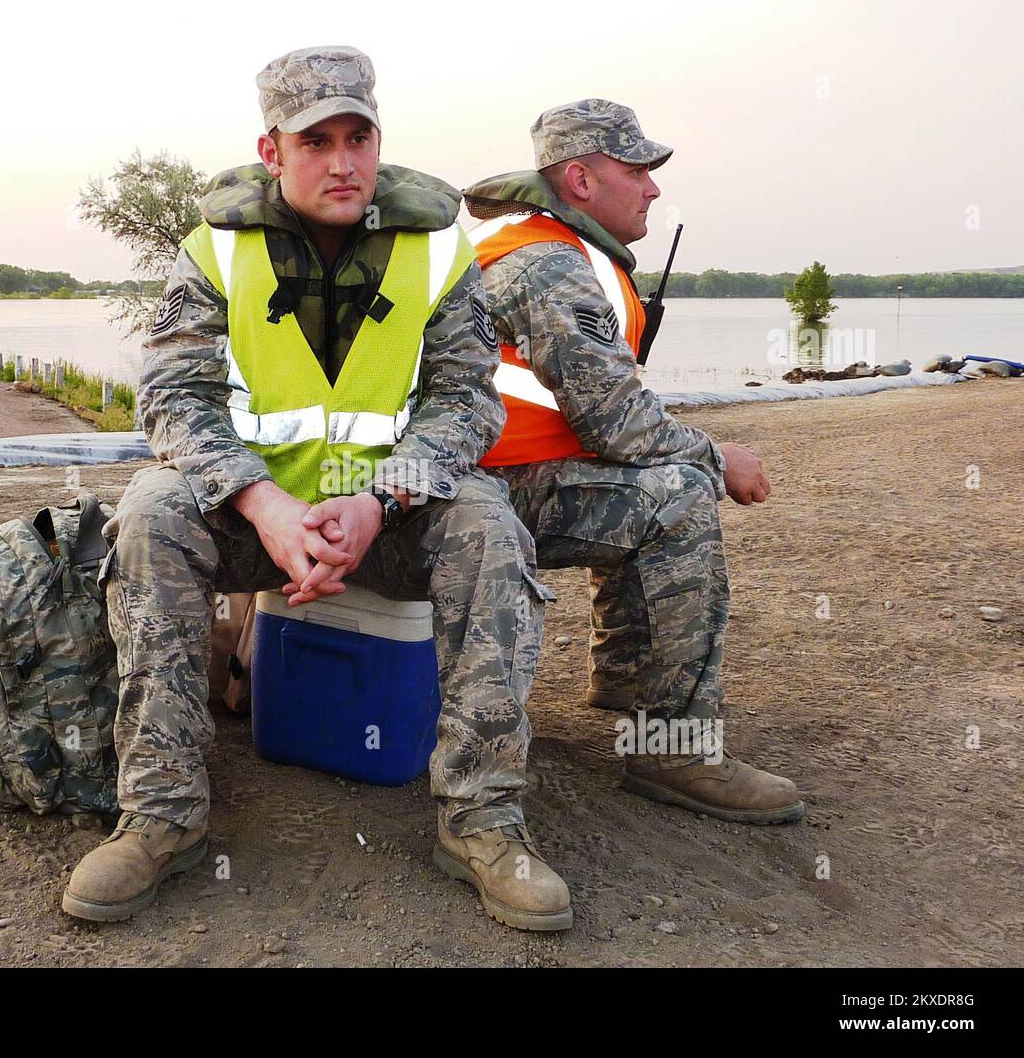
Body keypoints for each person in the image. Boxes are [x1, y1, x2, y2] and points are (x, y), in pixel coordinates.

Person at [63, 47, 573, 930]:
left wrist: (380, 500)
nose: (341, 161)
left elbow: (466, 404)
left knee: (490, 524)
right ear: (272, 151)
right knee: (147, 512)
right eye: (315, 141)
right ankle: (161, 811)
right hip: (254, 517)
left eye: (358, 136)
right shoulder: (214, 250)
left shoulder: (438, 251)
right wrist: (265, 505)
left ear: (379, 140)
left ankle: (482, 819)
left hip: (391, 516)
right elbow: (172, 398)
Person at [462, 99, 804, 825]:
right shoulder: (549, 265)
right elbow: (617, 420)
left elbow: (597, 416)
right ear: (580, 180)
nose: (652, 186)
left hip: (487, 476)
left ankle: (624, 682)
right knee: (678, 491)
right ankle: (674, 751)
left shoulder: (542, 248)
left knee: (652, 476)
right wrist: (722, 457)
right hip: (483, 491)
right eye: (638, 168)